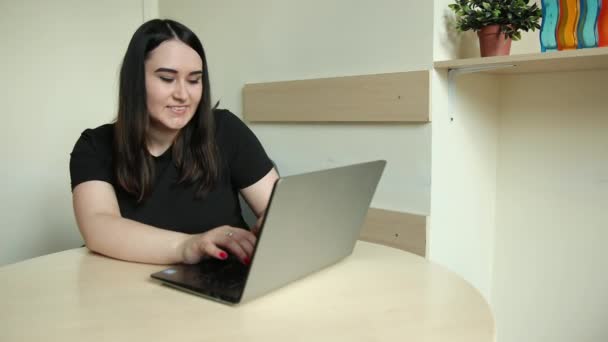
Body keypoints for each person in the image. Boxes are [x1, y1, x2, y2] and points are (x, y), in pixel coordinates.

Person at [69, 19, 279, 266]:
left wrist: (275, 222)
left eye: (194, 80)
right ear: (135, 81)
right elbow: (98, 227)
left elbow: (276, 208)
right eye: (167, 78)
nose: (183, 94)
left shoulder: (225, 129)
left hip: (222, 279)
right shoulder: (95, 146)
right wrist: (188, 245)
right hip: (131, 290)